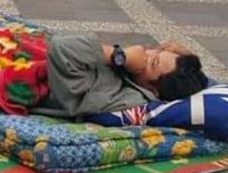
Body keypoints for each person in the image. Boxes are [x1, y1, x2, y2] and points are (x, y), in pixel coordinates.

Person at [31, 36, 209, 118]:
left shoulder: (127, 98)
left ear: (153, 90)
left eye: (153, 62)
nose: (147, 53)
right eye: (158, 51)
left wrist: (119, 56)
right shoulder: (130, 76)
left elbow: (61, 47)